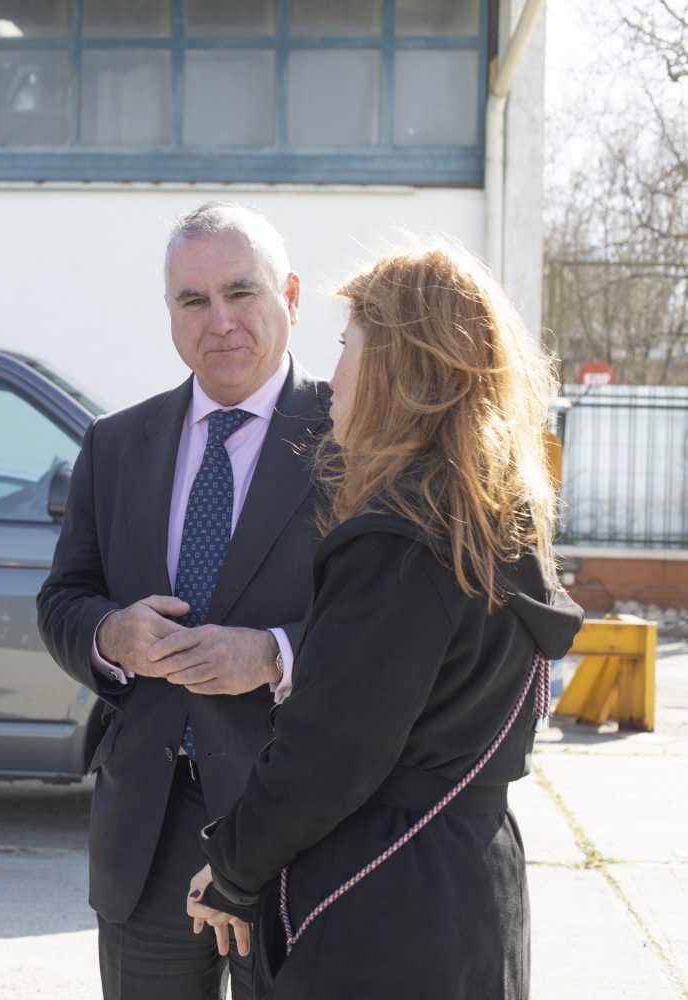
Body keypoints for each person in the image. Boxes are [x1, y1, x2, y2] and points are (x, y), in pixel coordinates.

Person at [186, 243, 584, 999]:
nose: (331, 376)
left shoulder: (400, 539)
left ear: (402, 367)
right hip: (473, 884)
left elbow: (327, 751)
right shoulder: (494, 520)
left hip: (378, 903)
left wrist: (231, 871)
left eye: (346, 348)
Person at [36, 202, 329, 999]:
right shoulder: (115, 443)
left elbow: (393, 626)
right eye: (192, 301)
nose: (220, 321)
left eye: (242, 292)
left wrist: (277, 654)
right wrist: (110, 635)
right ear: (169, 309)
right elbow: (64, 598)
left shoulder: (357, 439)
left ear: (292, 296)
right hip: (148, 833)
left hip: (297, 827)